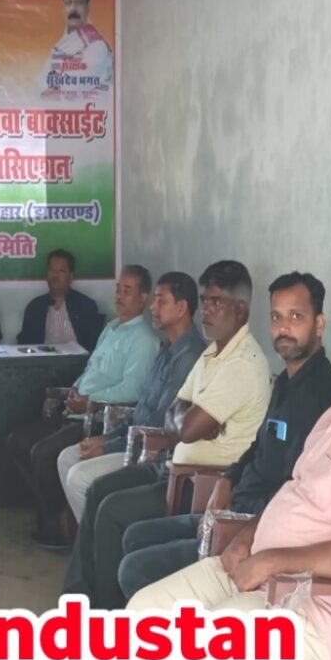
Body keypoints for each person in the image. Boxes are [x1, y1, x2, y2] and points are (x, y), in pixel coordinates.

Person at [83, 305, 331, 660]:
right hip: (259, 573)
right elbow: (293, 493)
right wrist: (246, 540)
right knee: (143, 614)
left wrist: (270, 562)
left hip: (312, 613)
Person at [117, 272, 331, 599]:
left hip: (251, 529)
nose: (283, 328)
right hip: (231, 506)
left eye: (296, 317)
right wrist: (228, 480)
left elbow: (296, 490)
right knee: (135, 536)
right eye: (276, 317)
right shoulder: (287, 382)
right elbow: (258, 446)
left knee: (135, 568)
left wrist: (240, 528)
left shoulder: (321, 398)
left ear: (319, 324)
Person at [62, 260, 271, 608]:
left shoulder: (242, 363)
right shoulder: (212, 352)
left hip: (199, 482)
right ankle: (80, 598)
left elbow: (184, 428)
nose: (206, 310)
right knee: (98, 490)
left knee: (112, 510)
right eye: (205, 300)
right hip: (171, 464)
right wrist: (188, 420)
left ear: (240, 309)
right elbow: (174, 414)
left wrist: (186, 421)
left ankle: (106, 612)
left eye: (216, 302)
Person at [8, 264, 161, 550]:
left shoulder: (144, 339)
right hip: (76, 410)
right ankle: (53, 512)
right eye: (118, 289)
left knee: (43, 453)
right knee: (18, 441)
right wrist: (75, 390)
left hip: (102, 419)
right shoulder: (111, 329)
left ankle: (58, 524)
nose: (119, 296)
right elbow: (91, 369)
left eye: (127, 291)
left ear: (143, 298)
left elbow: (132, 390)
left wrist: (88, 401)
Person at [57, 272, 206, 522]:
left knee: (79, 477)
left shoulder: (188, 356)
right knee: (67, 458)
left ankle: (94, 539)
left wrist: (108, 446)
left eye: (160, 301)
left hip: (151, 453)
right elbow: (141, 411)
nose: (153, 308)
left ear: (181, 308)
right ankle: (90, 538)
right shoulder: (167, 348)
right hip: (130, 438)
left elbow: (159, 424)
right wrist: (105, 437)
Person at [37, 0, 113, 100]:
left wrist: (52, 90)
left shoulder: (97, 47)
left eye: (79, 2)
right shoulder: (58, 49)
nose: (73, 8)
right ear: (63, 8)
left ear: (88, 7)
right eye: (68, 3)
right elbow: (39, 86)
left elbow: (74, 88)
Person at [16, 248, 104, 351]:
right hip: (43, 360)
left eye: (61, 271)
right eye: (52, 270)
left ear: (71, 276)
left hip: (77, 360)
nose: (55, 276)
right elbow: (25, 346)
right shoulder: (34, 307)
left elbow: (95, 347)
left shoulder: (86, 306)